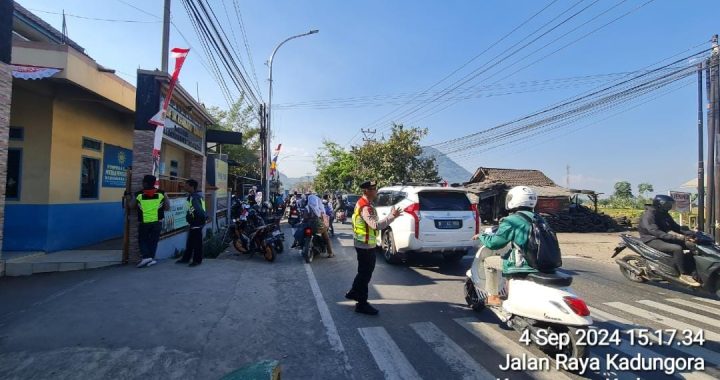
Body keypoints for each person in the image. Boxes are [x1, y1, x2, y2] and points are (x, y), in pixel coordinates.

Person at [474, 186, 541, 306]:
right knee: (508, 255)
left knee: (488, 261)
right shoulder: (539, 219)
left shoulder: (512, 220)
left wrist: (481, 236)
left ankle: (493, 297)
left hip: (526, 263)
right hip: (544, 262)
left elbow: (494, 244)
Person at [345, 180, 400, 315]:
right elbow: (375, 225)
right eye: (373, 189)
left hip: (363, 243)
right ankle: (361, 304)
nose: (376, 191)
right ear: (366, 191)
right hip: (365, 246)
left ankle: (353, 292)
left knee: (363, 272)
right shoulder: (365, 207)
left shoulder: (364, 203)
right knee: (365, 275)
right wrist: (391, 217)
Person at [638, 195, 699, 286]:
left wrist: (690, 233)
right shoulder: (649, 215)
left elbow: (675, 227)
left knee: (691, 245)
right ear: (660, 204)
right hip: (651, 239)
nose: (670, 206)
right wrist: (676, 237)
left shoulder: (664, 213)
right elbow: (655, 231)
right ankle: (683, 274)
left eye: (670, 204)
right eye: (668, 204)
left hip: (663, 237)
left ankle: (690, 266)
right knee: (677, 248)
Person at [129, 175, 169, 268]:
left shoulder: (139, 194)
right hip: (157, 222)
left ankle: (146, 257)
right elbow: (167, 207)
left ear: (145, 183)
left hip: (144, 222)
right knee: (153, 241)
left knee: (142, 239)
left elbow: (131, 206)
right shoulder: (162, 193)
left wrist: (128, 198)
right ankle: (151, 258)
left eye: (143, 182)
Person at [176, 179, 206, 267]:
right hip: (196, 223)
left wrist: (195, 220)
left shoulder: (194, 197)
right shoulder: (195, 196)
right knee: (190, 242)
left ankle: (197, 260)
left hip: (196, 223)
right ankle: (186, 258)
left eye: (186, 185)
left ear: (191, 186)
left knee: (197, 243)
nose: (184, 186)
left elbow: (198, 210)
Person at [306, 193, 334, 257]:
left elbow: (304, 217)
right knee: (326, 238)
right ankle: (330, 253)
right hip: (319, 227)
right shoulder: (319, 209)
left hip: (309, 226)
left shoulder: (307, 207)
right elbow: (323, 218)